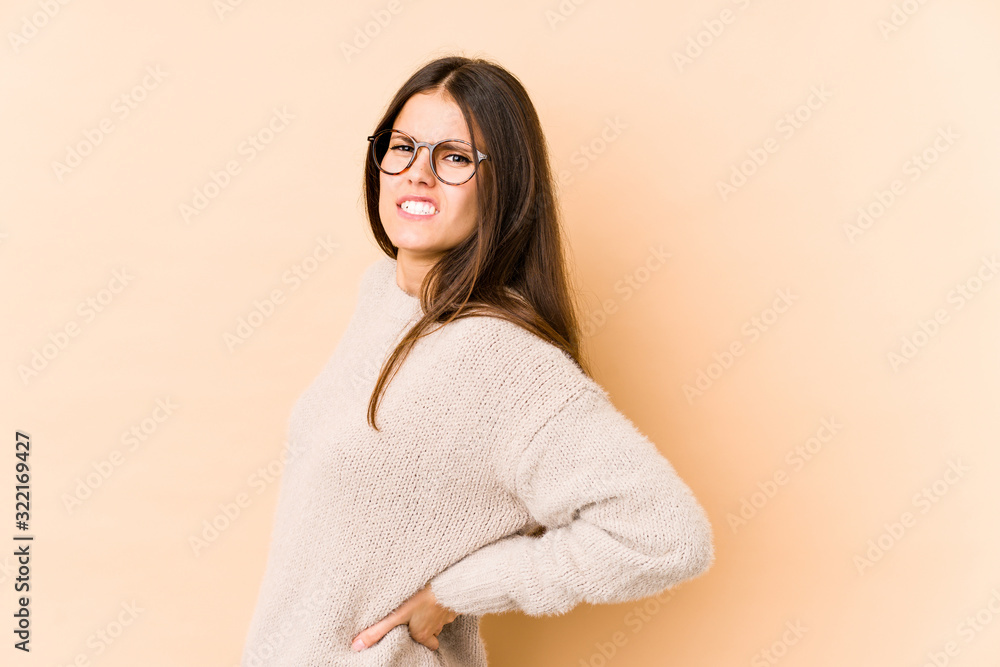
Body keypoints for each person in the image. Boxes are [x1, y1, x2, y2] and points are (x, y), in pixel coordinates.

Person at [239, 55, 715, 667]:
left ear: (505, 184)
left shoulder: (501, 358)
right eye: (402, 147)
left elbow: (666, 536)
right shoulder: (384, 296)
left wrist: (457, 590)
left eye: (455, 158)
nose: (418, 174)